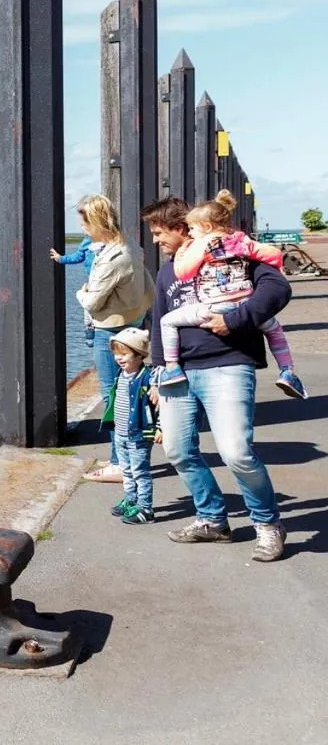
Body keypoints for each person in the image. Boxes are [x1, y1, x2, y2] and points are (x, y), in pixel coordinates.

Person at [141, 196, 291, 562]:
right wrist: (157, 376)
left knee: (236, 451)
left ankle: (268, 524)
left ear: (182, 229)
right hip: (178, 374)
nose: (157, 241)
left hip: (227, 364)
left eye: (160, 233)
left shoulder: (232, 252)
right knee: (177, 449)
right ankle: (212, 520)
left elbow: (278, 289)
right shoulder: (166, 272)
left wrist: (236, 319)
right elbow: (159, 325)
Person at [159, 190, 307, 399]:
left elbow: (183, 273)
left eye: (192, 228)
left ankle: (172, 367)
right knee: (274, 329)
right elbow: (274, 254)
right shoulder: (241, 241)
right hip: (244, 303)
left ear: (207, 227)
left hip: (213, 307)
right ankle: (287, 371)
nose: (190, 233)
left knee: (167, 322)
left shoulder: (202, 244)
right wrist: (272, 268)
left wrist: (182, 253)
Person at [74, 195, 153, 483]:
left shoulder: (111, 258)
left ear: (95, 222)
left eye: (84, 223)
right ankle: (122, 457)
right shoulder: (128, 243)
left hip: (111, 328)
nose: (82, 228)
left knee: (112, 396)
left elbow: (93, 302)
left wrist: (81, 292)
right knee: (124, 391)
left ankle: (121, 465)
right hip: (131, 319)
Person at [102, 327, 159, 525]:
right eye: (116, 353)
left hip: (138, 434)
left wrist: (160, 427)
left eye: (124, 354)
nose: (119, 358)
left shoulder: (147, 377)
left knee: (140, 472)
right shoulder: (121, 374)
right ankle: (131, 499)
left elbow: (160, 405)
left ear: (139, 354)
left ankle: (145, 508)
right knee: (126, 470)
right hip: (120, 432)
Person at [50, 233, 105, 346]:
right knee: (89, 305)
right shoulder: (87, 241)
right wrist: (61, 258)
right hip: (93, 281)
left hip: (107, 279)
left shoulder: (111, 240)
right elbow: (78, 256)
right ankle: (90, 332)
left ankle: (103, 332)